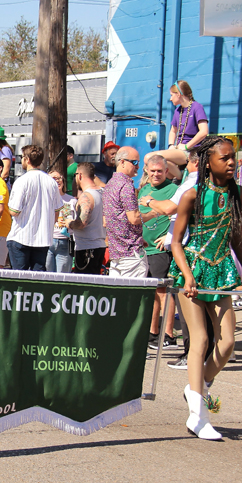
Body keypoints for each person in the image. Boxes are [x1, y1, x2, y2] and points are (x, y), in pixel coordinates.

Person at [169, 136, 242, 440]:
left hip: (222, 271)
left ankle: (198, 387)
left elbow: (237, 239)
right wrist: (186, 275)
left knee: (226, 345)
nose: (232, 162)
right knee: (199, 340)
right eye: (224, 158)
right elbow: (176, 241)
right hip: (193, 270)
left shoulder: (241, 194)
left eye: (233, 157)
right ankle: (198, 416)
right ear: (208, 162)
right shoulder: (192, 195)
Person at [138, 155, 179, 349]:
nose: (156, 174)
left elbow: (178, 215)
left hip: (161, 249)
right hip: (145, 249)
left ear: (166, 171)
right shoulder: (144, 190)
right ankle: (153, 332)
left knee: (164, 292)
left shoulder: (173, 190)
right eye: (152, 171)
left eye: (160, 171)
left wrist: (169, 237)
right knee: (152, 293)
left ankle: (168, 334)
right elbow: (140, 217)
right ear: (146, 170)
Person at [6, 145, 64, 271]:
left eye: (22, 157)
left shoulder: (22, 181)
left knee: (20, 280)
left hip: (20, 236)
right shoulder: (51, 182)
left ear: (27, 159)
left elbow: (14, 211)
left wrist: (8, 205)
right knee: (38, 280)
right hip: (42, 238)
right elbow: (57, 210)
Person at [103, 146, 148, 278]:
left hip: (116, 256)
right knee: (133, 297)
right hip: (131, 256)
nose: (138, 167)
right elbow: (133, 218)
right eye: (134, 162)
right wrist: (155, 213)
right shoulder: (126, 185)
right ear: (122, 162)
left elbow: (108, 220)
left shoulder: (110, 185)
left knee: (117, 297)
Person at [67, 162, 107, 275]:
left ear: (79, 176)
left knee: (84, 286)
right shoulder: (103, 192)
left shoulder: (86, 196)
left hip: (87, 248)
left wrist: (70, 223)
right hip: (99, 245)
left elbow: (81, 223)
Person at [46, 170, 76, 273]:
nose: (57, 181)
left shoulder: (72, 200)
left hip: (65, 242)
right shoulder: (45, 200)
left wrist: (71, 222)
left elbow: (78, 221)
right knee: (47, 277)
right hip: (48, 241)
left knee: (63, 277)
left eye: (59, 178)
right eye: (53, 179)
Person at [168, 80, 209, 152]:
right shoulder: (177, 111)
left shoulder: (197, 107)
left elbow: (204, 131)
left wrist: (187, 146)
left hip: (193, 150)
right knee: (157, 160)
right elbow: (173, 131)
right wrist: (171, 145)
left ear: (178, 94)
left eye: (171, 95)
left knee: (151, 156)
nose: (170, 99)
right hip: (179, 150)